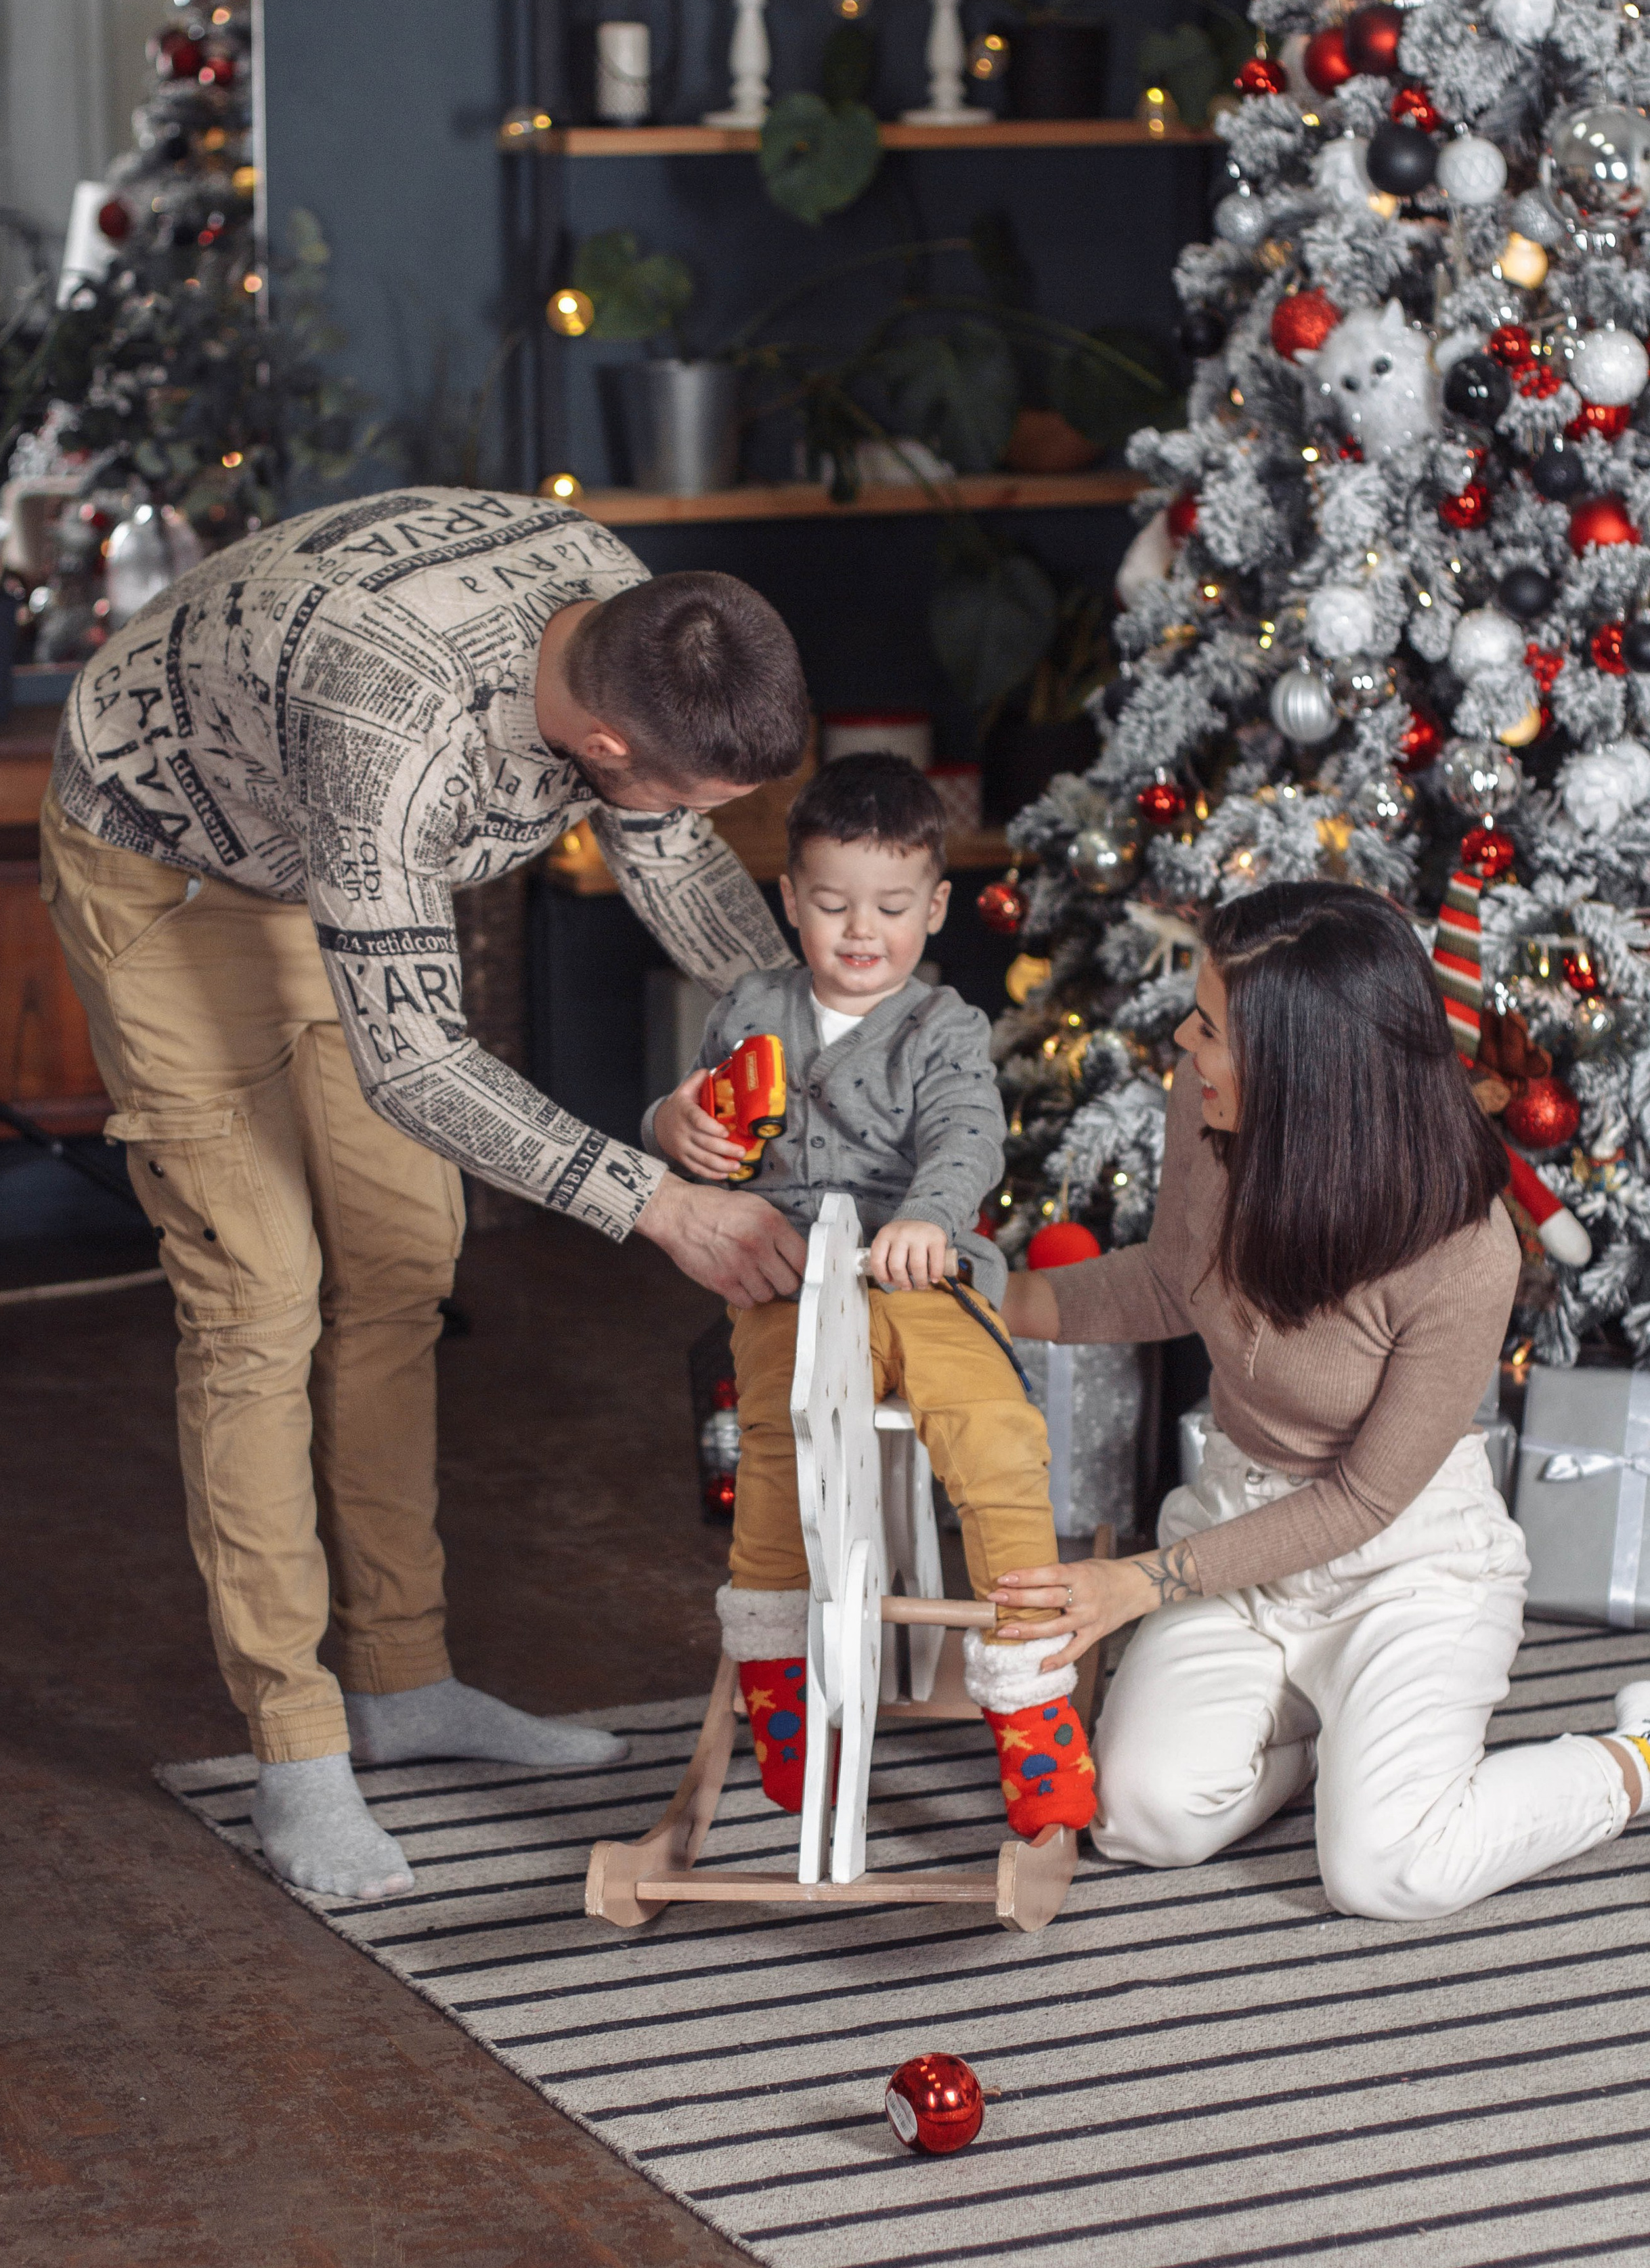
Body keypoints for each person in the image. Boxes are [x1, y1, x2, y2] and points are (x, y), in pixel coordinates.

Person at [42, 487, 812, 1901]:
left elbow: (665, 847)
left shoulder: (631, 619)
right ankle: (297, 1751)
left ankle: (402, 1683)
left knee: (402, 1267)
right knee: (262, 1293)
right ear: (601, 743)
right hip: (165, 871)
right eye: (687, 788)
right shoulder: (390, 718)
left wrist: (809, 1048)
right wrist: (658, 1203)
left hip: (337, 866)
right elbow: (416, 1064)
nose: (701, 822)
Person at [991, 879, 1650, 1921]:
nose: (1182, 1040)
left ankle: (1632, 1758)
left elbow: (1360, 1502)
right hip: (1239, 1522)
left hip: (1403, 1561)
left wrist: (1142, 1584)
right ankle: (1336, 1742)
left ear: (1304, 1071)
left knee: (1387, 1874)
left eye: (1209, 1028)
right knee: (1139, 1818)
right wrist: (995, 1298)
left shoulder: (1465, 1245)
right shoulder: (1207, 1115)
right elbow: (1170, 1281)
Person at [647, 754, 1098, 1837]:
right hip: (790, 1287)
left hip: (919, 1278)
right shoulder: (751, 1006)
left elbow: (966, 1132)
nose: (863, 932)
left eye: (892, 907)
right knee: (771, 1457)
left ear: (935, 908)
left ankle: (1033, 1714)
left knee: (994, 1436)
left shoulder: (939, 1026)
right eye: (835, 904)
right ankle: (784, 1701)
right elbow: (705, 1120)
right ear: (792, 900)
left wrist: (925, 1222)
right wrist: (676, 1125)